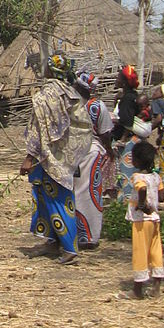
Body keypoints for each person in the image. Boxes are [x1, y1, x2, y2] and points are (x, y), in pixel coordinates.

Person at [19, 54, 92, 265]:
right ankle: (53, 241)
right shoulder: (70, 93)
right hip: (63, 156)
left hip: (50, 159)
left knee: (57, 199)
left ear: (51, 70)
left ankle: (69, 248)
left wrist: (29, 157)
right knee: (46, 196)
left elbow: (39, 128)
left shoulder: (47, 95)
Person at [73, 70, 116, 248]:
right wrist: (109, 150)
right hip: (91, 152)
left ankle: (73, 234)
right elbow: (105, 133)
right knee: (90, 194)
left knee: (73, 192)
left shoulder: (69, 103)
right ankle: (89, 236)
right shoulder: (97, 106)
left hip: (72, 152)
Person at [127, 140, 164, 299]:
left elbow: (142, 188)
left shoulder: (137, 177)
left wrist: (142, 204)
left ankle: (137, 290)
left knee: (140, 252)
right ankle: (156, 287)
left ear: (137, 161)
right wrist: (153, 199)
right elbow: (162, 197)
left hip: (141, 220)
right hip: (155, 219)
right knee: (155, 251)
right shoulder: (156, 177)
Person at [112, 65, 142, 202]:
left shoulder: (127, 99)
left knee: (126, 173)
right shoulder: (132, 96)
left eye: (119, 77)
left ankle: (127, 202)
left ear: (124, 82)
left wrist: (114, 121)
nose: (116, 79)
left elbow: (127, 121)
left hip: (127, 142)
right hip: (133, 140)